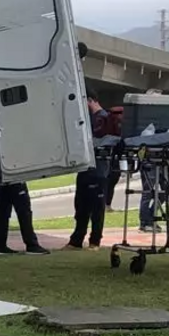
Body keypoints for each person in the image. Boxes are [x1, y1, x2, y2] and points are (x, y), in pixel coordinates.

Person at [67, 88, 110, 250]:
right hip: (85, 169)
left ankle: (95, 241)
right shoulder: (87, 119)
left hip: (98, 170)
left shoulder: (103, 119)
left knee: (97, 208)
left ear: (90, 100)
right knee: (81, 207)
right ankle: (76, 240)